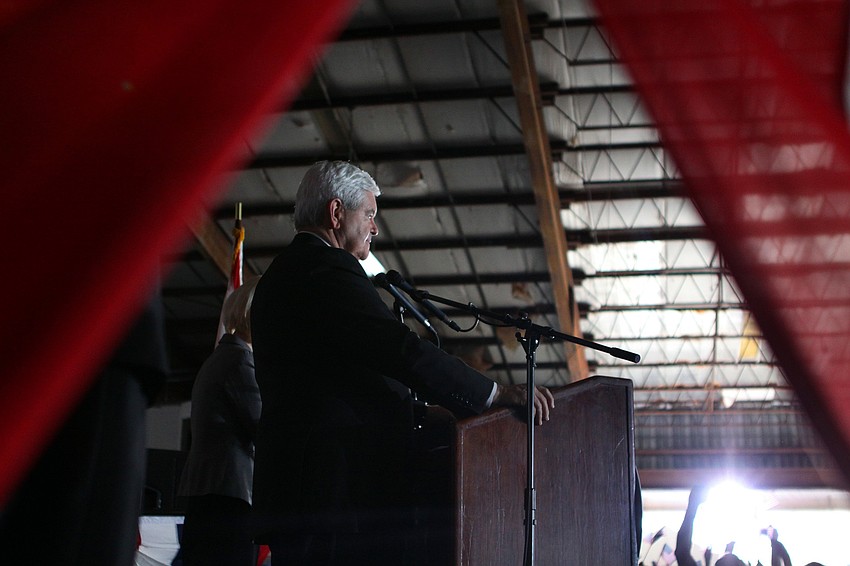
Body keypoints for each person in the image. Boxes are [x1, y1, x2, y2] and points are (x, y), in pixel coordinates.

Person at [250, 160, 554, 565]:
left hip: (301, 487)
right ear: (336, 213)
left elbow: (336, 374)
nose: (375, 228)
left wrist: (421, 410)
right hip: (332, 488)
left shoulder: (282, 274)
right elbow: (399, 349)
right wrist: (493, 394)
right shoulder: (325, 268)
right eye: (370, 214)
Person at [178, 278, 262, 566]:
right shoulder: (239, 362)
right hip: (229, 495)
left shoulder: (223, 357)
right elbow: (262, 426)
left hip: (212, 493)